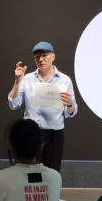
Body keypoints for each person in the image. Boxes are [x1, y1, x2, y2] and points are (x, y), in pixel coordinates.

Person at [8, 41, 77, 173]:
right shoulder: (27, 79)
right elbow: (13, 104)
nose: (40, 59)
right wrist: (17, 81)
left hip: (54, 133)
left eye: (44, 55)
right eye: (37, 57)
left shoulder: (64, 80)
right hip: (31, 132)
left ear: (53, 57)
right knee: (28, 173)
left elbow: (70, 113)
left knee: (51, 173)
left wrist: (69, 104)